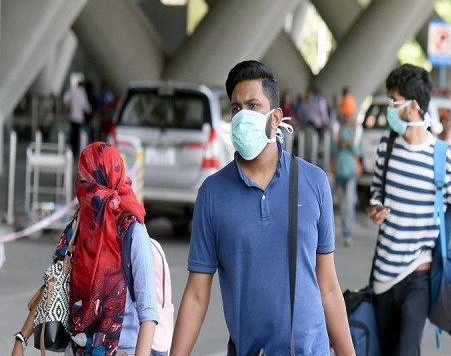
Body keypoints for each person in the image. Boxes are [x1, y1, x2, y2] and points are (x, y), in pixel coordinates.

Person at [170, 60, 354, 356]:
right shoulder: (212, 194)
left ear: (275, 117)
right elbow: (196, 295)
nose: (243, 116)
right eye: (236, 108)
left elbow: (329, 287)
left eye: (253, 105)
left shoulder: (314, 182)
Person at [367, 64, 451, 356]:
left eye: (394, 101)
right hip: (383, 273)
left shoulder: (442, 157)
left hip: (419, 274)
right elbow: (376, 192)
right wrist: (375, 208)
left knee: (407, 351)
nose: (390, 107)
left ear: (413, 106)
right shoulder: (387, 146)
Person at [11, 142, 157, 356]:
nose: (78, 185)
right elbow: (54, 283)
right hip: (76, 348)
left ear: (98, 181)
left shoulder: (132, 232)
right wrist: (21, 339)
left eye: (83, 178)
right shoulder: (80, 225)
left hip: (119, 350)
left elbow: (148, 313)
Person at [331, 91, 361, 247]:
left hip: (350, 172)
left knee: (349, 204)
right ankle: (341, 230)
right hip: (338, 170)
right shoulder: (337, 128)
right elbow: (333, 148)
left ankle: (347, 233)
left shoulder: (357, 130)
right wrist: (341, 144)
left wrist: (349, 144)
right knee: (341, 204)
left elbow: (358, 150)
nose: (348, 118)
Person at [63, 81, 91, 156]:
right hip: (79, 119)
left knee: (72, 134)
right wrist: (90, 111)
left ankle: (71, 150)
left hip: (72, 117)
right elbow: (86, 107)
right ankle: (75, 151)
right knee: (77, 135)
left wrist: (69, 105)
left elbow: (65, 98)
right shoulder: (83, 94)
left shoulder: (73, 91)